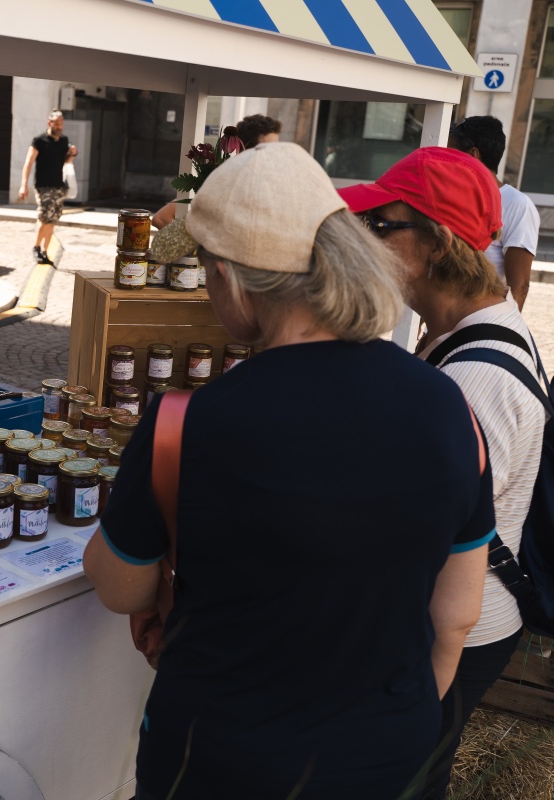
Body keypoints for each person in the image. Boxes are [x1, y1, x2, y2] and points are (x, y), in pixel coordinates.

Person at [84, 143, 494, 800]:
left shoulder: (184, 425)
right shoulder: (450, 407)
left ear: (233, 278)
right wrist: (394, 726)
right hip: (392, 760)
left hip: (218, 762)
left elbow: (119, 586)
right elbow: (457, 616)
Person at [339, 146, 546, 800]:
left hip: (450, 634)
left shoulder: (475, 378)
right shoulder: (459, 332)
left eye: (380, 227)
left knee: (405, 780)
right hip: (453, 620)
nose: (364, 241)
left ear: (434, 244)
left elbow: (426, 541)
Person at [449, 116, 539, 310]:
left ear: (473, 155)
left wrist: (503, 330)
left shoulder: (516, 204)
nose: (447, 161)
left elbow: (519, 286)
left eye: (452, 153)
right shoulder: (451, 196)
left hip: (480, 325)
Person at [151, 113, 282, 229]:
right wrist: (196, 249)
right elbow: (162, 218)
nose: (275, 154)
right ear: (247, 150)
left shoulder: (265, 184)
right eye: (269, 149)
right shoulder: (226, 178)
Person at [17, 110, 77, 264]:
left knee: (53, 219)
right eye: (56, 123)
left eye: (61, 123)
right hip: (43, 186)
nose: (59, 126)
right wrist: (24, 185)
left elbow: (66, 162)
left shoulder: (64, 141)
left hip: (58, 186)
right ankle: (36, 247)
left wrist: (73, 153)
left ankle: (45, 251)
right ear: (49, 123)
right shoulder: (39, 141)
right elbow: (28, 162)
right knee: (45, 216)